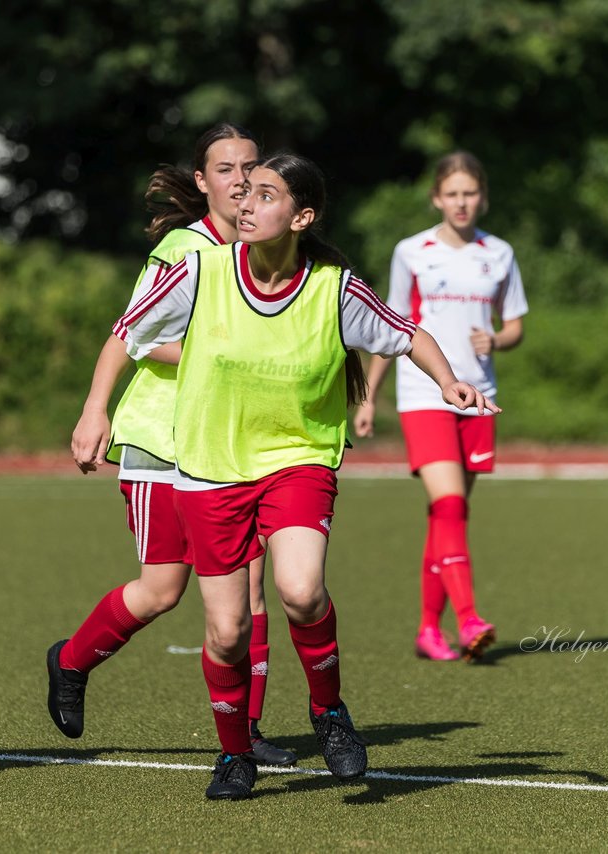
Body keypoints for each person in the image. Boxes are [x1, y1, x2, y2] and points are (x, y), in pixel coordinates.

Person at [108, 152, 496, 800]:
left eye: (265, 194)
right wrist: (96, 412)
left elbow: (405, 334)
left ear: (302, 215)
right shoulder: (200, 271)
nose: (246, 203)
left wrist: (451, 380)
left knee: (300, 589)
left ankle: (329, 712)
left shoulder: (333, 288)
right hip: (210, 467)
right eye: (244, 193)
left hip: (298, 459)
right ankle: (235, 755)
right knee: (227, 633)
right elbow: (127, 333)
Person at [49, 124, 294, 766]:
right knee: (163, 589)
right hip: (164, 438)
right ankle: (71, 662)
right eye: (225, 168)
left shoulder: (267, 249)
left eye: (250, 166)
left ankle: (248, 732)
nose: (240, 178)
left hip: (235, 444)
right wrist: (94, 411)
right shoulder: (184, 250)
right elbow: (134, 336)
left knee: (252, 585)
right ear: (202, 181)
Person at [353, 151, 526, 664]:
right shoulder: (412, 252)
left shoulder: (500, 253)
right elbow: (392, 326)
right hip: (425, 393)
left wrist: (497, 340)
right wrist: (369, 395)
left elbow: (514, 324)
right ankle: (469, 617)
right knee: (449, 506)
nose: (461, 202)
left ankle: (429, 629)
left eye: (469, 193)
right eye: (451, 193)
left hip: (479, 397)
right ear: (436, 198)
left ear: (483, 198)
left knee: (447, 515)